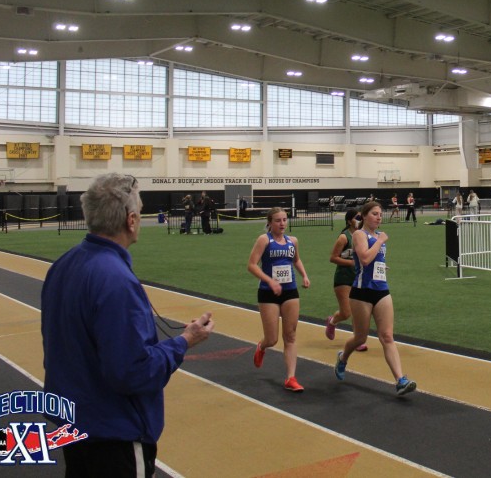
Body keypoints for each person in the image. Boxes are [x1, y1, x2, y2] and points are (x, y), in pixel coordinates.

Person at [41, 173, 214, 477]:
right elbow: (133, 372)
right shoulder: (115, 280)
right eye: (141, 211)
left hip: (75, 427)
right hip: (113, 435)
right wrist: (185, 340)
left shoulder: (62, 265)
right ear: (131, 220)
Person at [334, 201, 416, 397]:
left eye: (380, 214)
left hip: (381, 290)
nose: (379, 217)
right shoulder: (359, 235)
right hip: (362, 292)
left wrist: (381, 266)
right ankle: (343, 358)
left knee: (387, 336)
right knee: (360, 338)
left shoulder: (379, 235)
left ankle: (400, 380)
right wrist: (379, 242)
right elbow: (363, 259)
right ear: (364, 216)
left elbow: (374, 260)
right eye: (374, 213)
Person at [248, 207, 311, 392]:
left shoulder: (293, 241)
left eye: (284, 219)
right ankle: (262, 346)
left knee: (290, 335)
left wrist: (304, 275)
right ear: (270, 223)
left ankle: (291, 378)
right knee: (272, 339)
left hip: (290, 291)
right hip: (268, 293)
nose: (282, 223)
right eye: (278, 220)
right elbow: (252, 265)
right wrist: (269, 281)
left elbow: (296, 260)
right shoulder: (264, 240)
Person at [324, 209, 368, 352]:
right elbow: (333, 258)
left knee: (358, 311)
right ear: (349, 221)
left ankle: (357, 340)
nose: (360, 220)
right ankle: (332, 321)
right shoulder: (344, 237)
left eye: (361, 217)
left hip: (358, 278)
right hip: (343, 278)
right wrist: (351, 262)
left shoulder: (363, 235)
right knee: (346, 312)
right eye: (357, 217)